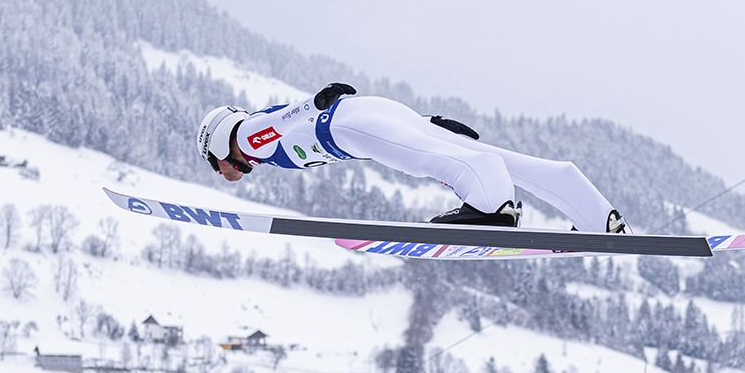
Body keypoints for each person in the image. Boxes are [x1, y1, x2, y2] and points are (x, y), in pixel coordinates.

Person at [197, 82, 626, 231]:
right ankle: (595, 215)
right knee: (475, 152)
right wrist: (430, 121)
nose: (224, 174)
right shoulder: (256, 139)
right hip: (371, 113)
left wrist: (314, 103)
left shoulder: (251, 137)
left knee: (427, 161)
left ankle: (492, 207)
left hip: (345, 127)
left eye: (216, 166)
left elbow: (280, 125)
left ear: (219, 147)